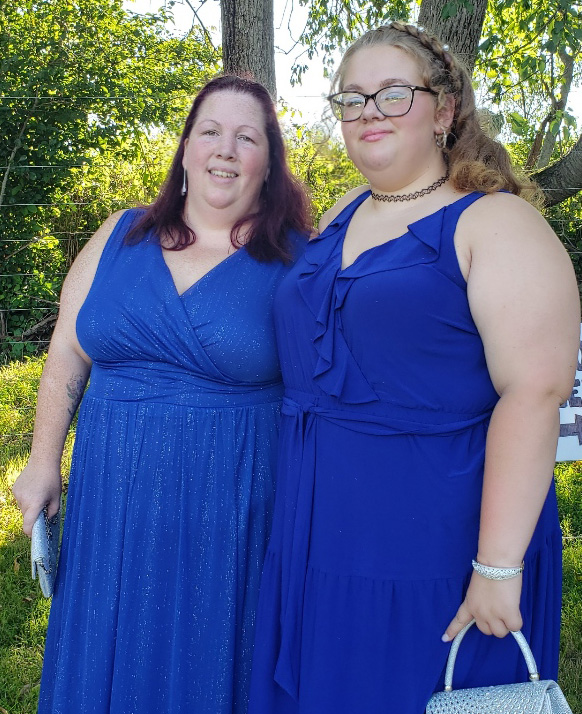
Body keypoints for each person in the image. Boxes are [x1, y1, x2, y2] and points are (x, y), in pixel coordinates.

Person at [247, 22, 580, 714]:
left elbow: (535, 392)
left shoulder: (497, 224)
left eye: (393, 94)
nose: (369, 112)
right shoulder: (340, 213)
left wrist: (495, 568)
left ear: (445, 110)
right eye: (353, 98)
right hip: (320, 527)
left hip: (437, 543)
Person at [12, 74, 310, 714]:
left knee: (204, 661)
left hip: (226, 507)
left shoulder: (297, 264)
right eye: (209, 132)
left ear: (268, 165)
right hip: (108, 502)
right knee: (103, 645)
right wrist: (43, 463)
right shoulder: (120, 236)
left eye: (246, 137)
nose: (224, 150)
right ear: (184, 149)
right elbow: (68, 347)